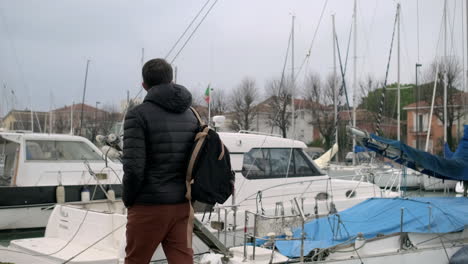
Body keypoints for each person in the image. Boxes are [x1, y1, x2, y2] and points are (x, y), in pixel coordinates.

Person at [122, 58, 198, 264]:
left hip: (148, 204)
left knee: (136, 260)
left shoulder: (137, 115)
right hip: (182, 204)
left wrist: (129, 200)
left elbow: (133, 168)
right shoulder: (191, 115)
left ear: (144, 85)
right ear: (171, 79)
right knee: (183, 261)